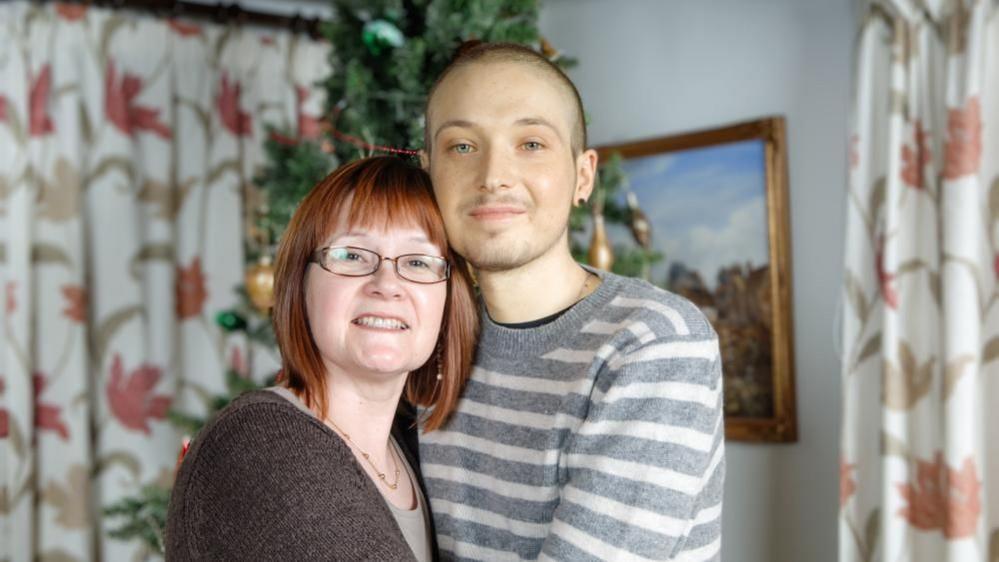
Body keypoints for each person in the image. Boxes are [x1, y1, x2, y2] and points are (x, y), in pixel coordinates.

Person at [418, 43, 725, 561]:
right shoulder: (427, 340)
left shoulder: (655, 342)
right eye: (462, 147)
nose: (493, 175)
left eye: (531, 143)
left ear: (583, 176)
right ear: (429, 174)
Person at [165, 156, 478, 561]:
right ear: (301, 283)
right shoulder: (262, 444)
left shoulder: (413, 454)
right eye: (352, 255)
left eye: (418, 262)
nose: (387, 285)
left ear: (449, 300)